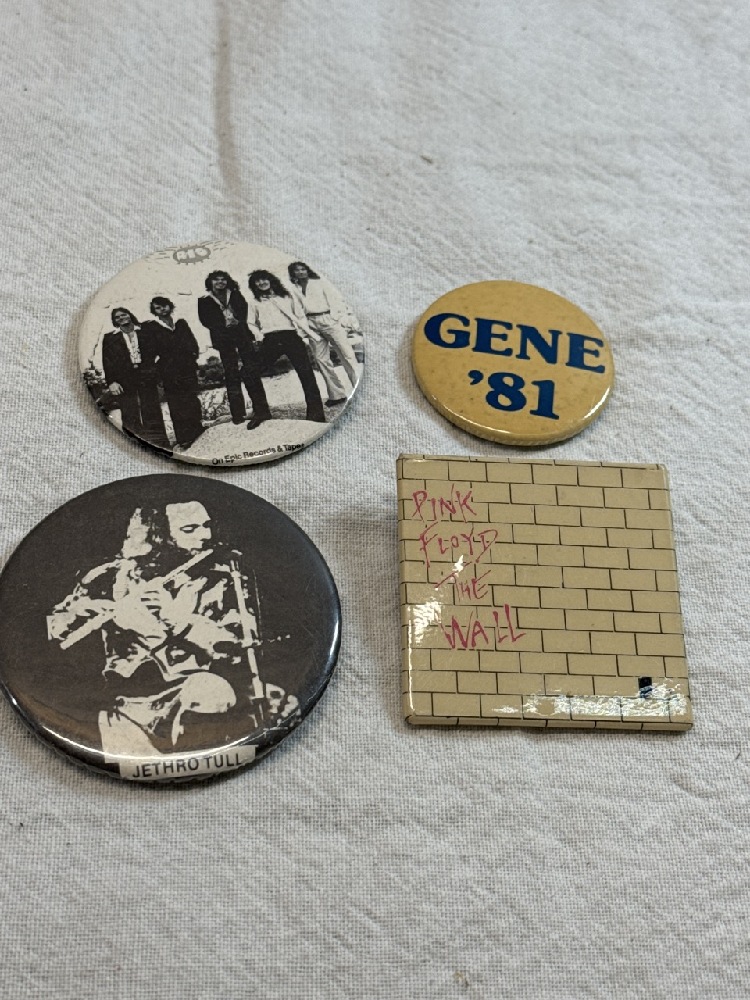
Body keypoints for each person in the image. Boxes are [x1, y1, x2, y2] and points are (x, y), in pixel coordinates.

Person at [46, 501, 299, 759]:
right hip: (127, 704)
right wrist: (89, 610)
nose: (206, 535)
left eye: (206, 526)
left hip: (194, 699)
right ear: (159, 535)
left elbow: (237, 648)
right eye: (190, 529)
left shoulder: (221, 580)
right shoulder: (109, 577)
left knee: (211, 691)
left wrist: (178, 619)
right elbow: (55, 629)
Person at [246, 270, 326, 424]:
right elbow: (250, 323)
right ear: (253, 285)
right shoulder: (254, 302)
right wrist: (259, 336)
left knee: (306, 374)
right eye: (257, 281)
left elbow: (300, 315)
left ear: (271, 280)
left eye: (264, 279)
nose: (261, 283)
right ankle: (262, 413)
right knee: (249, 371)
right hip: (269, 339)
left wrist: (300, 334)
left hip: (290, 336)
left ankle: (316, 414)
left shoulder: (286, 296)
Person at [197, 271, 271, 429]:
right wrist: (223, 326)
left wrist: (238, 321)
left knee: (251, 370)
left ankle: (261, 409)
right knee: (231, 373)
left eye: (223, 279)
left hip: (242, 335)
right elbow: (205, 320)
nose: (220, 282)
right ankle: (238, 413)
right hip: (223, 339)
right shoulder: (204, 300)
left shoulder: (235, 294)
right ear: (210, 282)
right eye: (216, 280)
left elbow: (245, 312)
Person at [288, 261, 361, 394]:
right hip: (310, 322)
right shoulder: (294, 288)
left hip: (327, 318)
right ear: (293, 273)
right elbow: (297, 309)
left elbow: (335, 300)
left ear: (308, 270)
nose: (300, 272)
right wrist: (303, 328)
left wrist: (336, 318)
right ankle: (337, 394)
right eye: (296, 270)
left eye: (303, 269)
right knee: (320, 359)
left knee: (347, 355)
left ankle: (357, 388)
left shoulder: (319, 282)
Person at [100, 307, 169, 449]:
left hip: (146, 376)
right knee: (129, 411)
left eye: (123, 314)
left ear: (130, 315)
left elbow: (162, 351)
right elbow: (107, 362)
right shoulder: (110, 338)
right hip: (124, 379)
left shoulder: (145, 331)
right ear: (114, 321)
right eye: (117, 317)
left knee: (152, 409)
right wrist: (111, 382)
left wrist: (156, 370)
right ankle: (134, 446)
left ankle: (160, 445)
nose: (121, 318)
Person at [141, 297, 204, 449]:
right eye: (158, 308)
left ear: (170, 306)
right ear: (154, 311)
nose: (162, 309)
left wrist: (193, 357)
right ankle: (184, 437)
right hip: (168, 369)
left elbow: (192, 342)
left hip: (187, 366)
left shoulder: (181, 323)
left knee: (191, 397)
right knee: (176, 402)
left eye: (164, 306)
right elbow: (150, 351)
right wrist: (158, 369)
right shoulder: (152, 327)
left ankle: (197, 429)